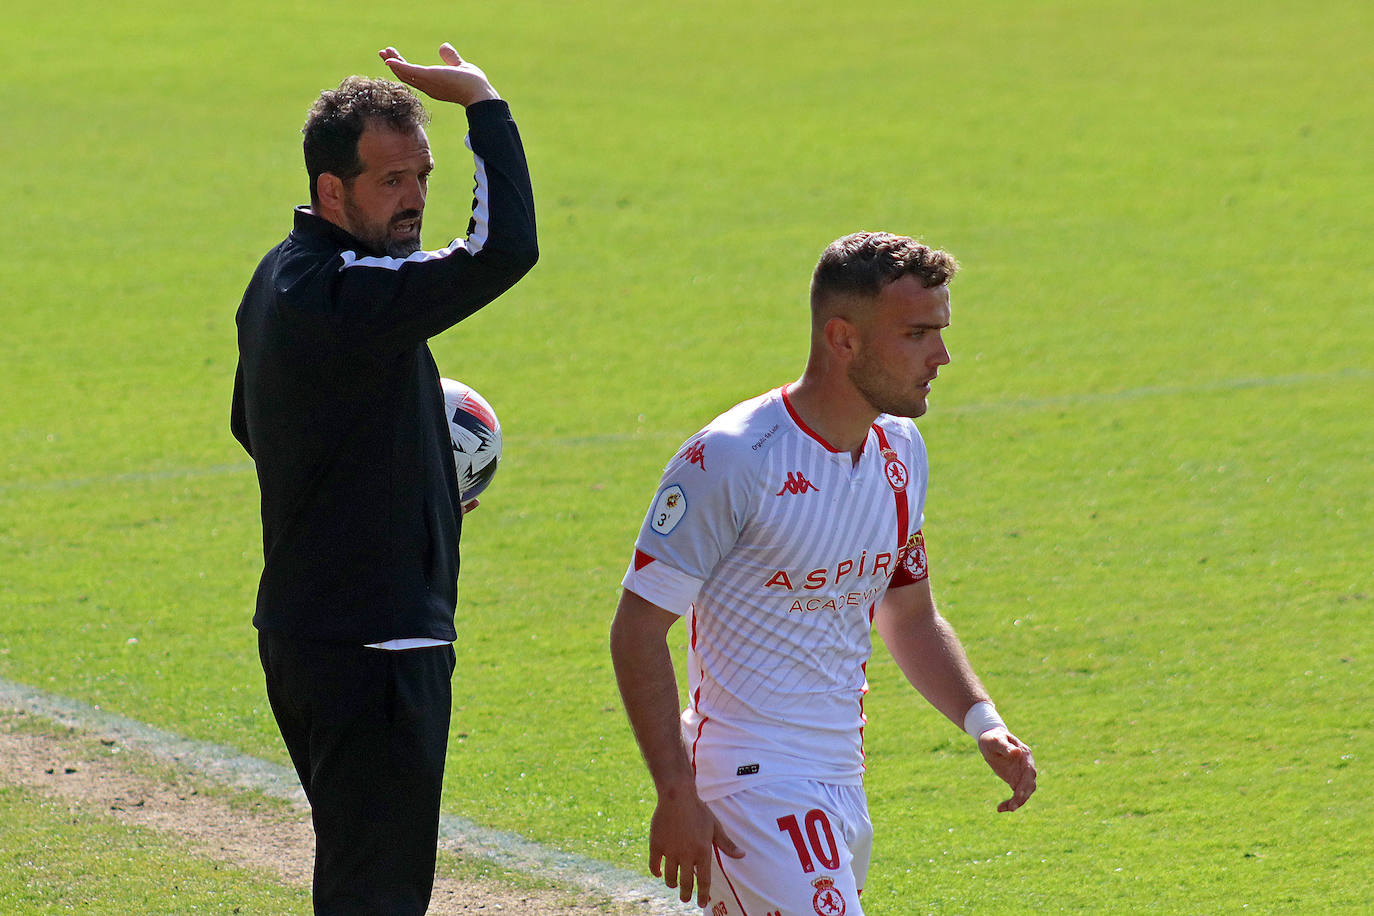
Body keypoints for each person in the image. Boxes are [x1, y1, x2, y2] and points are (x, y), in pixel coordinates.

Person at [610, 232, 1036, 913]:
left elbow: (910, 615)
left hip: (840, 780)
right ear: (844, 339)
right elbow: (637, 628)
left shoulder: (901, 451)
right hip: (750, 787)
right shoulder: (734, 458)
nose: (943, 355)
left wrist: (981, 719)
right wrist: (675, 794)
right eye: (917, 333)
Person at [229, 43, 536, 915]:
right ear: (334, 191)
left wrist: (393, 484)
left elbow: (250, 425)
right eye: (391, 181)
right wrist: (485, 104)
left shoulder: (278, 279)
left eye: (422, 176)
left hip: (307, 635)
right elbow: (499, 250)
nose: (414, 200)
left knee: (362, 879)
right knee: (378, 896)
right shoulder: (352, 294)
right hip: (378, 645)